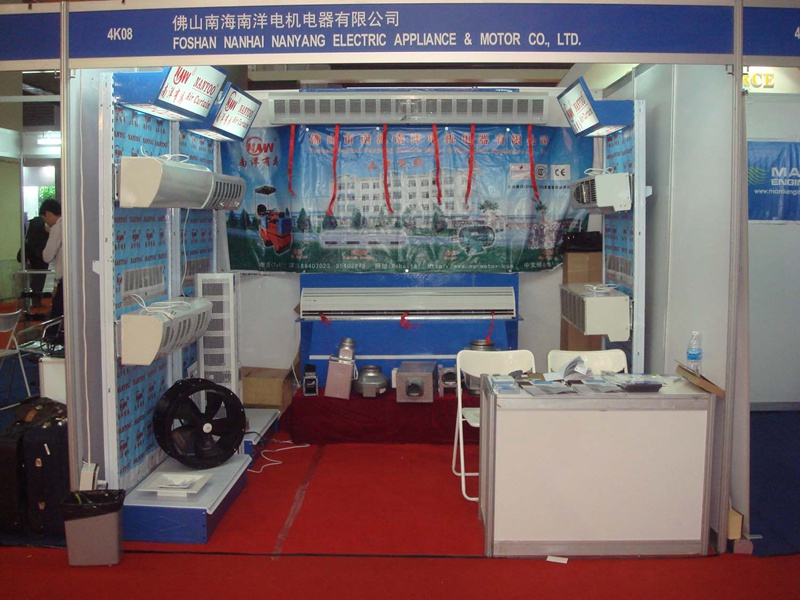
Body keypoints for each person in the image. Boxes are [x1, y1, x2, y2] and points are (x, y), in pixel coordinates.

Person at [16, 206, 51, 306]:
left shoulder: (33, 223)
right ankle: (36, 301)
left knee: (32, 280)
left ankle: (29, 301)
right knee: (39, 279)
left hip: (31, 256)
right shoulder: (42, 224)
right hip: (40, 257)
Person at [40, 199, 63, 320]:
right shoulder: (71, 223)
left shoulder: (57, 228)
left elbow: (47, 256)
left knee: (56, 318)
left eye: (44, 219)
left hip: (64, 281)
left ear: (48, 214)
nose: (46, 223)